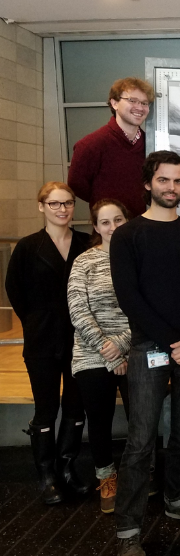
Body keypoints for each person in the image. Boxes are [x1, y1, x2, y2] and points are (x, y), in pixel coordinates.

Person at [110, 151, 180, 556]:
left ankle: (178, 498)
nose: (172, 188)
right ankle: (129, 529)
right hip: (150, 348)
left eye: (178, 181)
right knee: (140, 441)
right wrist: (176, 342)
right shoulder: (128, 235)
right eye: (164, 180)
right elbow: (129, 298)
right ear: (149, 183)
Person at [5, 182, 91, 505]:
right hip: (42, 340)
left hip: (80, 340)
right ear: (41, 206)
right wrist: (35, 322)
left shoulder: (86, 243)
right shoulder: (28, 247)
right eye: (54, 204)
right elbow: (14, 289)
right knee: (46, 408)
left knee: (74, 405)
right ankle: (46, 474)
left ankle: (67, 467)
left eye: (67, 203)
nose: (62, 209)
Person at [67, 199, 131, 514]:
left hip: (133, 350)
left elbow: (150, 306)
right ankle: (106, 477)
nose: (112, 227)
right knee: (100, 419)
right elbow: (78, 309)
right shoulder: (84, 262)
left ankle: (139, 474)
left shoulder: (139, 258)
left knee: (142, 419)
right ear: (96, 227)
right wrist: (108, 350)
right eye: (105, 222)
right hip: (93, 355)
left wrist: (121, 344)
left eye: (118, 220)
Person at [67, 78, 153, 218]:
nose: (139, 107)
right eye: (132, 100)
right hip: (108, 228)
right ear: (114, 103)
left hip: (143, 226)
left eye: (144, 103)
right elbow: (76, 185)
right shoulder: (91, 145)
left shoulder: (151, 146)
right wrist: (105, 202)